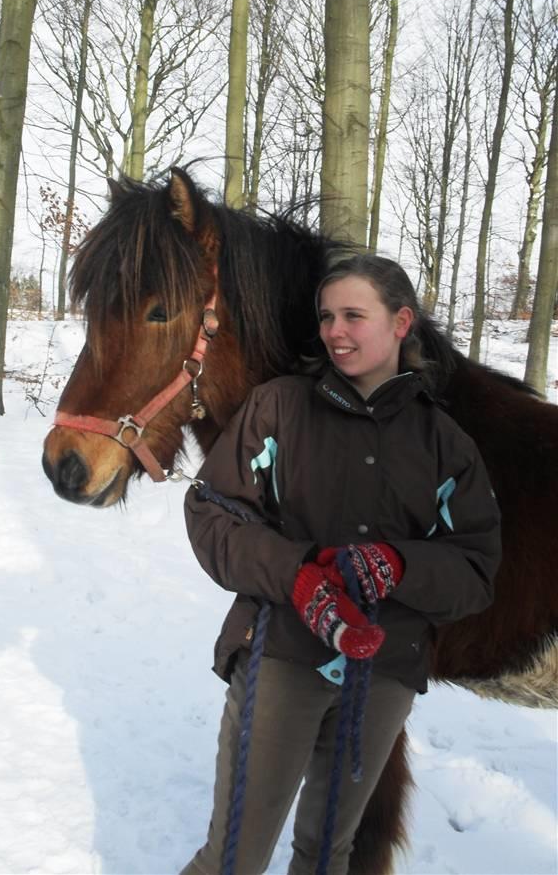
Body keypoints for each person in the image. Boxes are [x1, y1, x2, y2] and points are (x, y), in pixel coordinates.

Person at [180, 254, 502, 875]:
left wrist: (396, 565)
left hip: (384, 673)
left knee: (330, 855)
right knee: (233, 858)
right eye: (327, 316)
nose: (335, 330)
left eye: (354, 315)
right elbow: (213, 512)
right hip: (282, 655)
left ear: (401, 322)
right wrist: (298, 576)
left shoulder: (444, 443)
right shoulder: (278, 409)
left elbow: (476, 567)